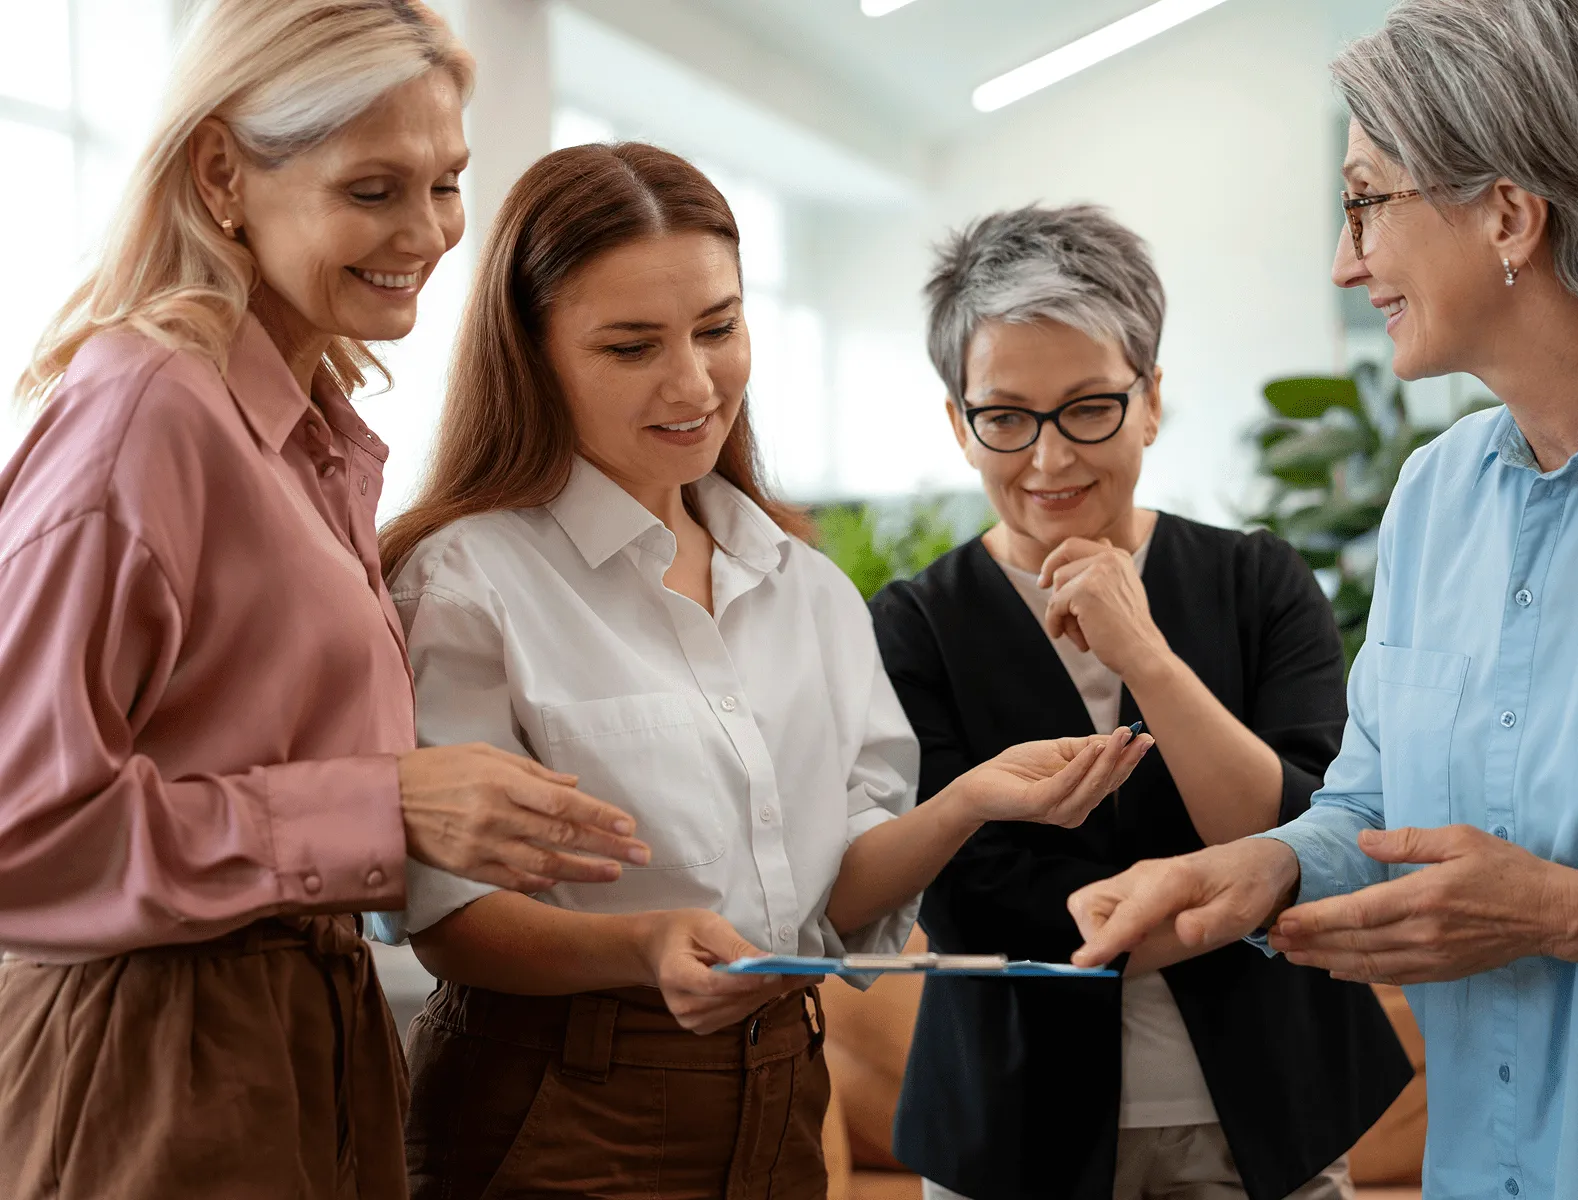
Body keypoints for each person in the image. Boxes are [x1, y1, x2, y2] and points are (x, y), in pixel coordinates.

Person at [370, 143, 1155, 1200]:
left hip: (782, 1088)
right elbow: (451, 916)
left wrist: (969, 800)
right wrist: (642, 945)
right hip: (560, 1103)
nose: (694, 383)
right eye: (631, 346)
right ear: (533, 354)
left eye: (718, 328)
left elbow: (829, 892)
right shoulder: (468, 579)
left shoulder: (804, 585)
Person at [1068, 2, 1578, 1197]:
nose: (1346, 262)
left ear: (1508, 214)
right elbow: (1375, 806)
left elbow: (1531, 905)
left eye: (1366, 201)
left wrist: (1569, 916)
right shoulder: (1438, 497)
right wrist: (1266, 868)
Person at [0, 4, 649, 1198]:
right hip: (154, 1055)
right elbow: (18, 835)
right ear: (221, 174)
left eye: (446, 183)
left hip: (302, 1037)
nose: (430, 231)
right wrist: (382, 805)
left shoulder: (309, 434)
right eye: (372, 190)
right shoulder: (147, 417)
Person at [869, 204, 1410, 1200]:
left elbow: (1306, 835)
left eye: (1089, 407)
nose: (1049, 459)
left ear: (1151, 400)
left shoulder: (1259, 581)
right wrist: (1212, 900)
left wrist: (1148, 658)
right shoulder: (914, 625)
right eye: (1005, 417)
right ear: (958, 424)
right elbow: (958, 896)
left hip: (1269, 1109)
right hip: (1014, 1124)